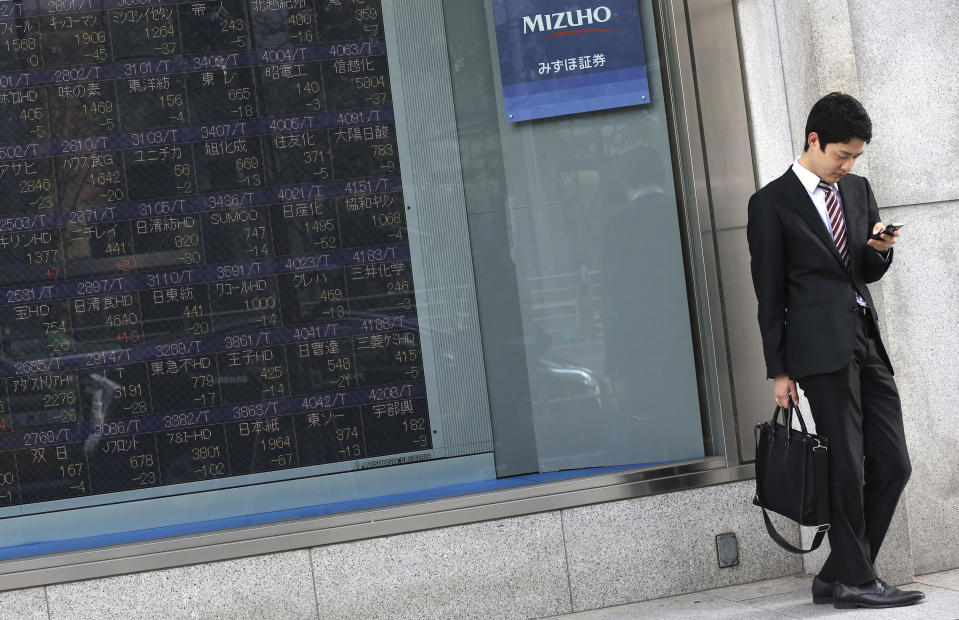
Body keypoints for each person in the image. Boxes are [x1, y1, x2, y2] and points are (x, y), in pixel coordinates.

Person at [746, 92, 924, 610]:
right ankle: (857, 582)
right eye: (841, 155)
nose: (848, 166)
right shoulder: (770, 203)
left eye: (855, 158)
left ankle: (841, 573)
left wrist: (880, 253)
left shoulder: (858, 189)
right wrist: (778, 371)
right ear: (814, 139)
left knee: (893, 461)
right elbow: (769, 295)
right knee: (845, 463)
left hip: (865, 339)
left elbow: (862, 272)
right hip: (818, 351)